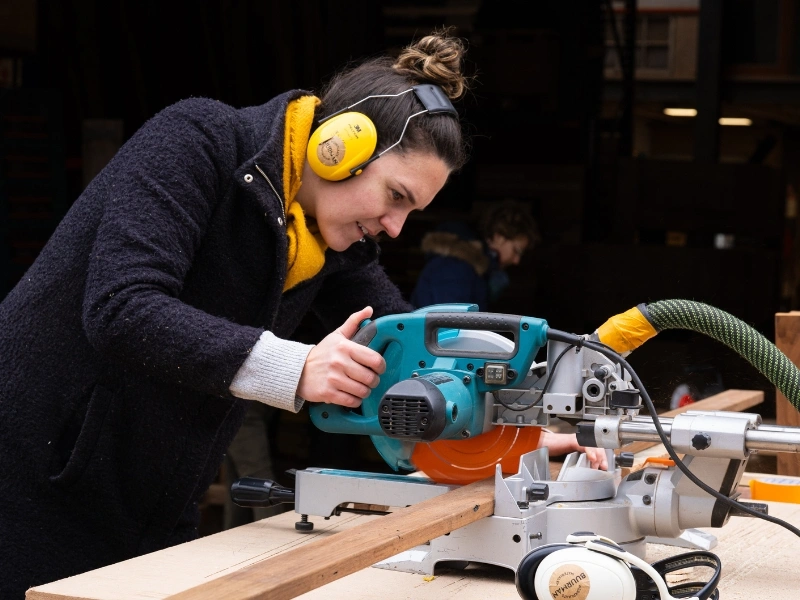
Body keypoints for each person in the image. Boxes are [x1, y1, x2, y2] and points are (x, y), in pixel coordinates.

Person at [0, 30, 470, 597]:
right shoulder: (198, 140)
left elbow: (408, 343)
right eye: (396, 196)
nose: (396, 228)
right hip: (29, 487)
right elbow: (123, 307)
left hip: (155, 499)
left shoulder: (330, 239)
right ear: (340, 147)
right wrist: (295, 369)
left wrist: (519, 423)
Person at [410, 198, 540, 311]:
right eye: (516, 251)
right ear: (499, 236)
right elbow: (448, 329)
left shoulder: (475, 268)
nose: (516, 260)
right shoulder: (456, 267)